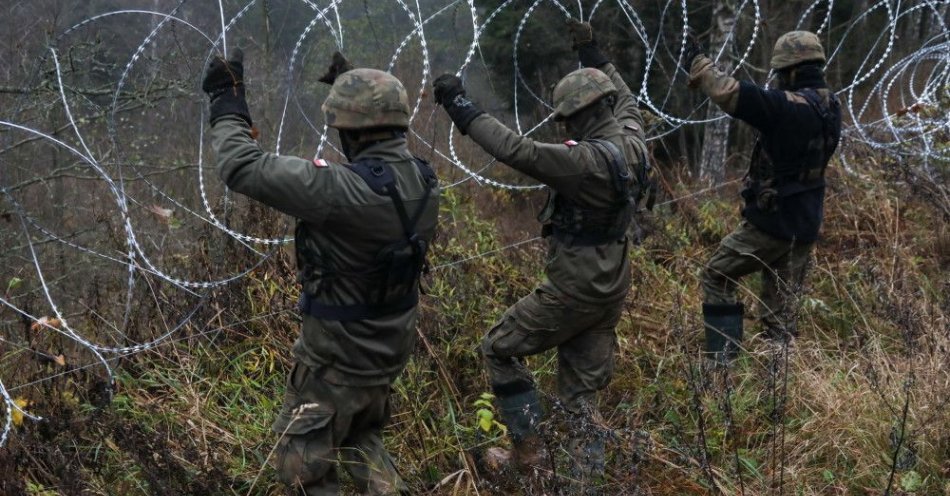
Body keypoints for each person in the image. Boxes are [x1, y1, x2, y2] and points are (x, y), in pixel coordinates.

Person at [202, 49, 439, 495]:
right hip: (386, 351)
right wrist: (354, 86)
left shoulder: (339, 191)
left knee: (303, 471)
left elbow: (241, 166)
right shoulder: (425, 180)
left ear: (351, 131)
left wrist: (226, 99)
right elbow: (378, 171)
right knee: (358, 437)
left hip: (335, 362)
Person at [432, 21, 652, 485]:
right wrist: (592, 50)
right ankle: (582, 484)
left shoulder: (582, 163)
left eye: (567, 119)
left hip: (574, 287)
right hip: (613, 281)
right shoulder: (634, 138)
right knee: (580, 397)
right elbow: (628, 95)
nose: (565, 126)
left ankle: (529, 459)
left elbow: (515, 149)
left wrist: (459, 104)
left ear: (578, 117)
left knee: (499, 347)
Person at [684, 31, 842, 360]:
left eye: (780, 74)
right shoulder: (831, 105)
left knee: (717, 274)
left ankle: (723, 364)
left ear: (791, 72)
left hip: (771, 223)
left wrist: (702, 66)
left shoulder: (786, 106)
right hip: (805, 223)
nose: (777, 80)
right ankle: (776, 387)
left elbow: (729, 93)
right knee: (780, 316)